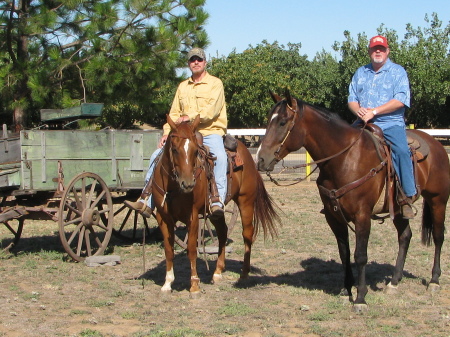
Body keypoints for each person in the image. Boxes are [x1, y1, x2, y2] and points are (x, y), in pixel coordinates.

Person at [125, 47, 228, 219]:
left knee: (219, 157)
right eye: (192, 60)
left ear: (205, 62)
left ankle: (216, 201)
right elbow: (173, 113)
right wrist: (167, 132)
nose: (196, 62)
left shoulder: (215, 84)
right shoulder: (182, 87)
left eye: (199, 59)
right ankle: (147, 200)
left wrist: (189, 117)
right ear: (188, 64)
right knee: (156, 156)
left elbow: (212, 110)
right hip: (182, 134)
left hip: (209, 131)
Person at [348, 35, 416, 219]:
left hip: (390, 123)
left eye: (381, 48)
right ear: (369, 51)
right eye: (374, 48)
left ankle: (407, 196)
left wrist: (375, 112)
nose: (378, 51)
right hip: (362, 123)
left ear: (387, 51)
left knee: (401, 151)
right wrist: (359, 112)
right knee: (340, 144)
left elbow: (401, 100)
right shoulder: (360, 72)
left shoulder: (397, 72)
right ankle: (335, 195)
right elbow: (352, 99)